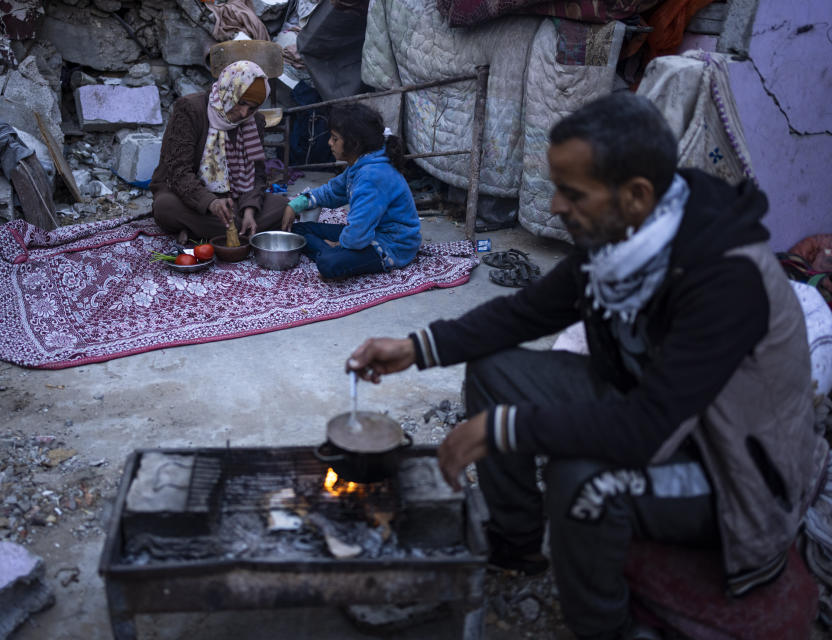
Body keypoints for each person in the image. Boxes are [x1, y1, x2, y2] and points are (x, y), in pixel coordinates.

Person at [346, 92, 827, 639]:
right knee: (495, 372)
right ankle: (515, 545)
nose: (554, 206)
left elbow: (649, 428)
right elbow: (527, 312)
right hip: (653, 409)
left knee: (582, 483)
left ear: (638, 195)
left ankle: (605, 628)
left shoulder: (726, 281)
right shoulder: (626, 238)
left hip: (729, 469)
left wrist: (503, 428)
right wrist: (415, 348)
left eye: (572, 193)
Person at [150, 60, 287, 244]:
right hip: (189, 198)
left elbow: (258, 175)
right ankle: (230, 229)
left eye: (253, 107)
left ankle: (200, 231)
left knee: (283, 206)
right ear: (228, 91)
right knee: (164, 207)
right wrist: (210, 202)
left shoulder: (255, 122)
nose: (245, 113)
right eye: (241, 102)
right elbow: (178, 172)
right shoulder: (190, 109)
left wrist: (250, 209)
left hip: (234, 200)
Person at [283, 103, 421, 279]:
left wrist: (339, 245)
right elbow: (332, 192)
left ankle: (328, 252)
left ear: (354, 144)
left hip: (392, 244)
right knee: (298, 231)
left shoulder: (372, 177)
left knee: (328, 263)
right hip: (368, 233)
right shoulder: (359, 165)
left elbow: (358, 232)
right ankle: (328, 250)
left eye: (334, 139)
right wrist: (295, 205)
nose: (329, 143)